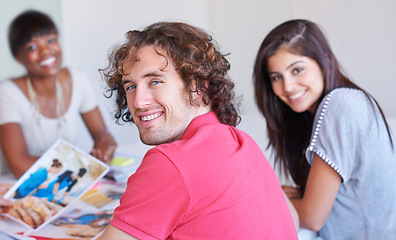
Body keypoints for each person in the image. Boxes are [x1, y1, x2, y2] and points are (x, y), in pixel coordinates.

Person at [98, 21, 298, 239]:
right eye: (131, 86)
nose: (138, 102)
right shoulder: (242, 141)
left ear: (199, 86)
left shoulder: (170, 162)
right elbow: (293, 222)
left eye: (155, 81)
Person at [253, 19, 396, 239]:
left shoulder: (340, 104)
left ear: (324, 62)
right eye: (276, 77)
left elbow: (312, 217)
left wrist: (275, 196)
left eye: (297, 70)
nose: (288, 86)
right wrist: (300, 197)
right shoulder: (332, 108)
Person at [0, 10, 117, 179]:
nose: (46, 51)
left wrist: (104, 147)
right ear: (19, 57)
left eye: (51, 40)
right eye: (32, 47)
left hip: (66, 181)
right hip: (17, 187)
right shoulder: (7, 93)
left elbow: (101, 133)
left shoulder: (77, 78)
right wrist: (84, 164)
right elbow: (19, 167)